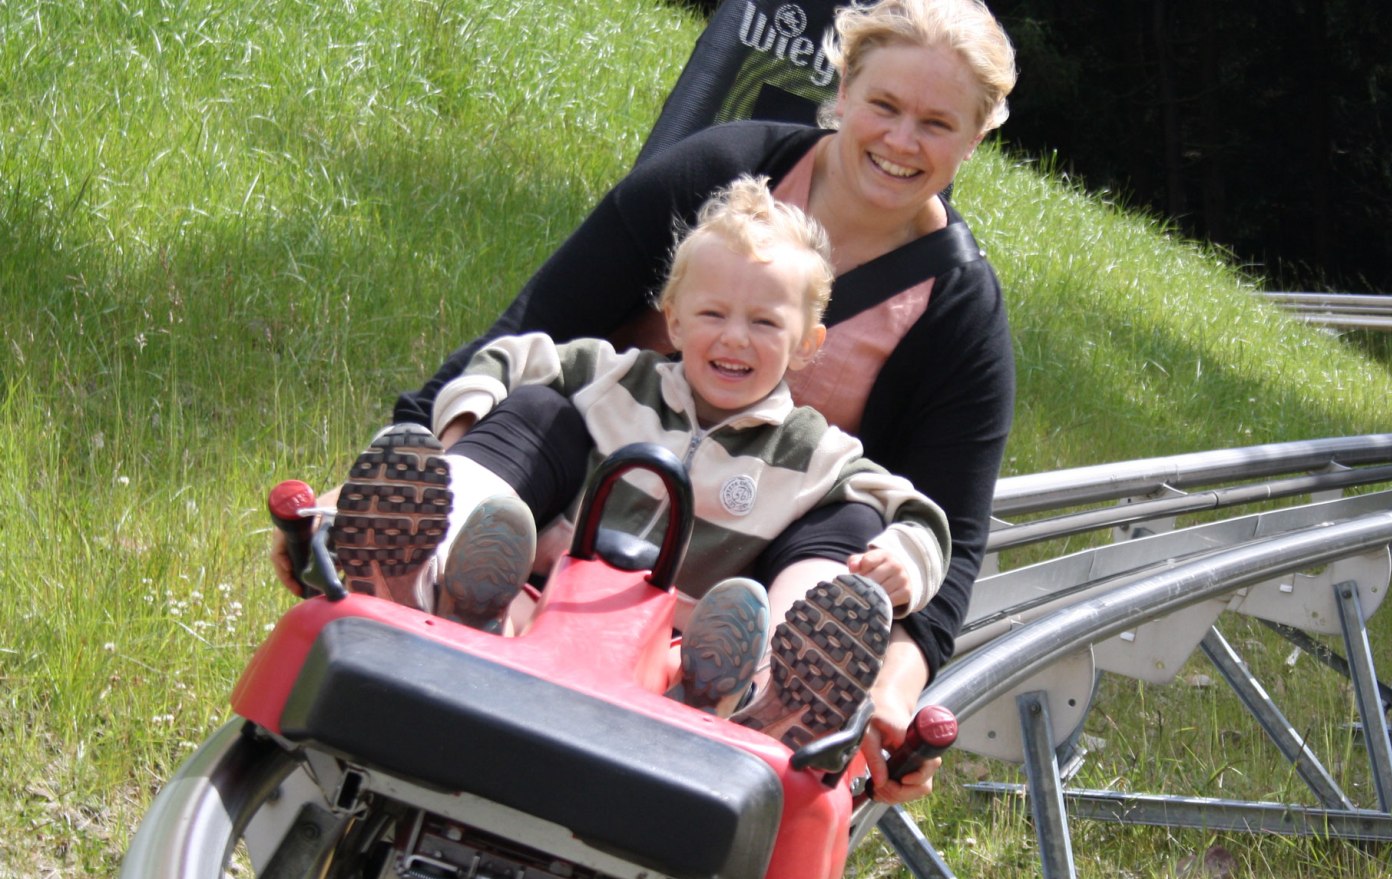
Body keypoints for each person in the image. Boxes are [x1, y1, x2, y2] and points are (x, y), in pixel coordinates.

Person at [276, 0, 1018, 804]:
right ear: (842, 89)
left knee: (856, 525)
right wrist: (364, 491)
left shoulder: (958, 316)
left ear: (975, 139)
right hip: (583, 495)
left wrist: (894, 689)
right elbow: (530, 331)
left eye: (937, 124)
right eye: (884, 106)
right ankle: (422, 551)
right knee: (537, 411)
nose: (902, 141)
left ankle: (786, 686)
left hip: (745, 558)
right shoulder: (719, 173)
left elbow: (945, 537)